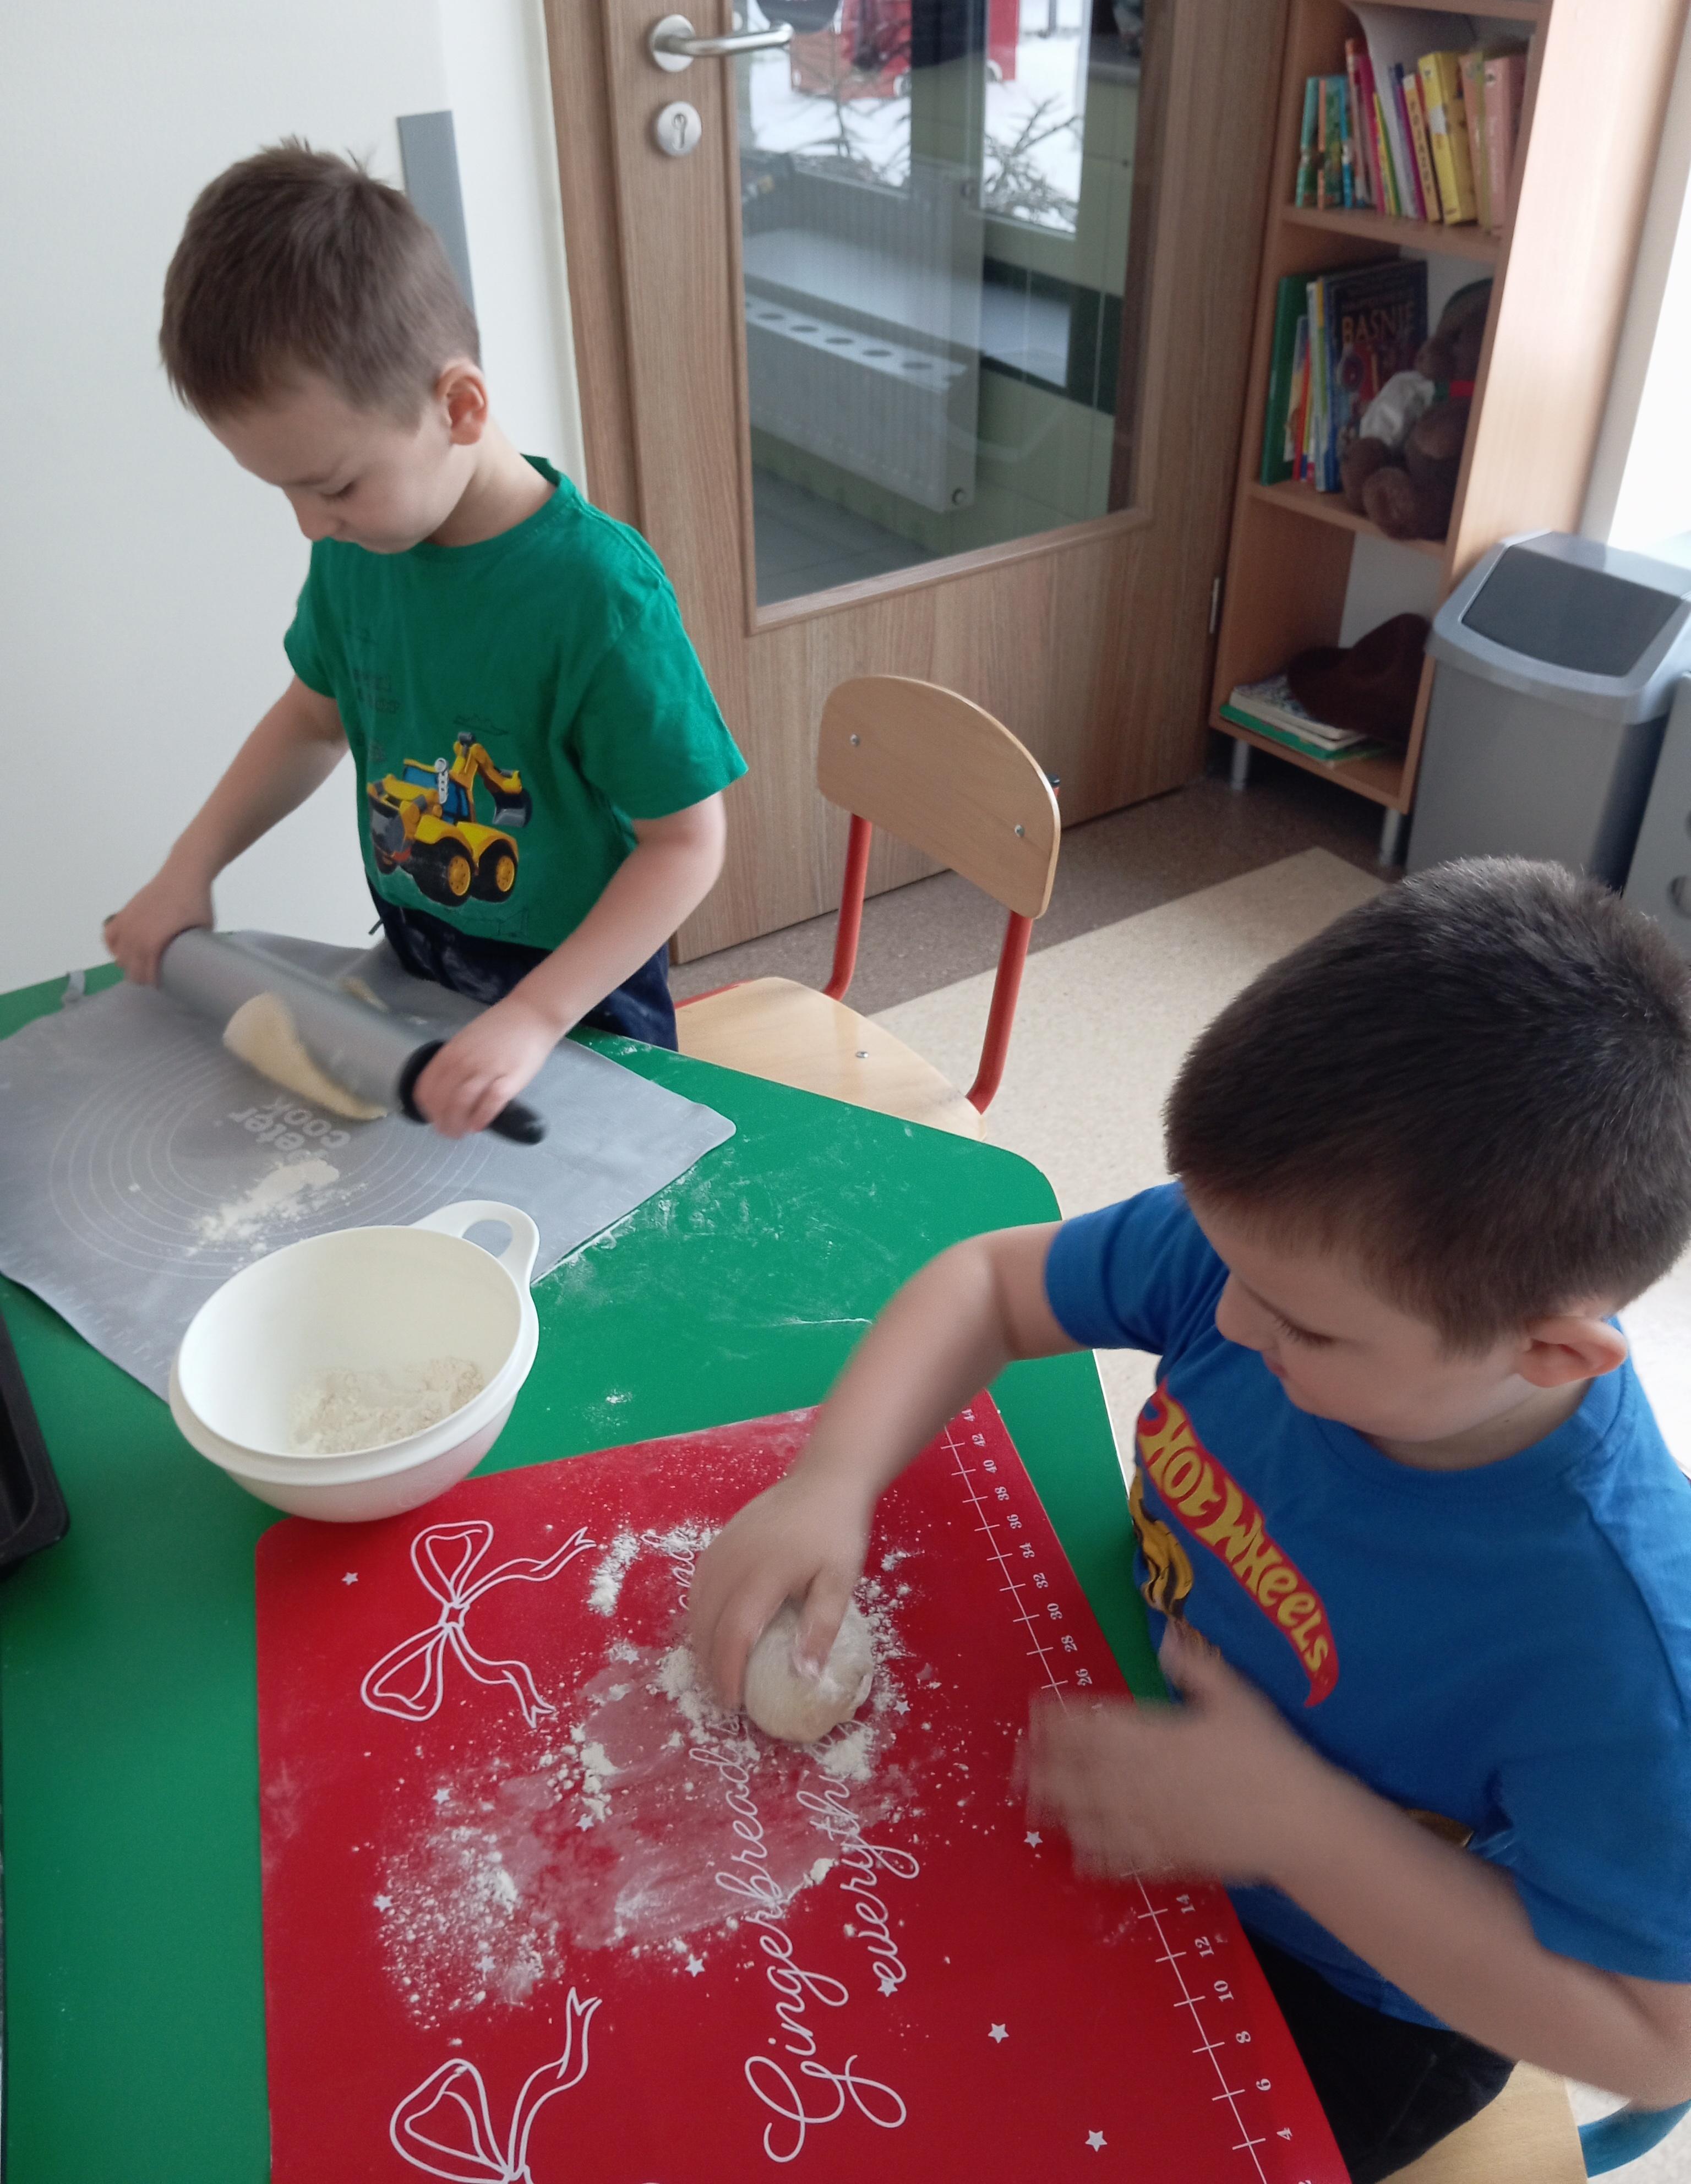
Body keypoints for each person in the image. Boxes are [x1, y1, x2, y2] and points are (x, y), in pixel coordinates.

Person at [690, 858, 1691, 2182]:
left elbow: (1656, 2046)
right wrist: (831, 1480)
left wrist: (1298, 1829)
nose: (1220, 1320)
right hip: (1141, 1740)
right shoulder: (1282, 1260)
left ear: (1551, 1352)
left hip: (1354, 1990)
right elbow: (988, 1284)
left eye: (1303, 1330)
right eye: (1228, 1267)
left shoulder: (1619, 1643)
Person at [103, 144, 746, 1137]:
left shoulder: (597, 597)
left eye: (332, 485)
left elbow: (687, 843)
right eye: (285, 492)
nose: (310, 526)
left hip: (580, 999)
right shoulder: (359, 551)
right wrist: (190, 866)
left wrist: (535, 1017)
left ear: (459, 407)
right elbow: (312, 721)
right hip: (421, 954)